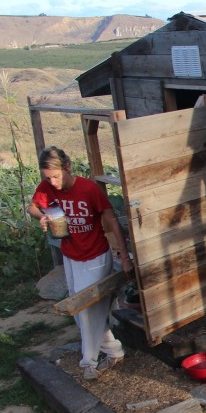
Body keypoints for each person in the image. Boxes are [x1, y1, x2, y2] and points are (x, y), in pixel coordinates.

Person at [29, 147, 131, 380]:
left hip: (95, 255)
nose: (52, 182)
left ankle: (89, 362)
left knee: (87, 311)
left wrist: (124, 256)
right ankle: (114, 351)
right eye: (47, 177)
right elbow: (33, 207)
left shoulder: (88, 189)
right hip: (71, 254)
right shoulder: (46, 188)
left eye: (56, 176)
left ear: (67, 168)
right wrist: (42, 216)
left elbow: (112, 221)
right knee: (80, 312)